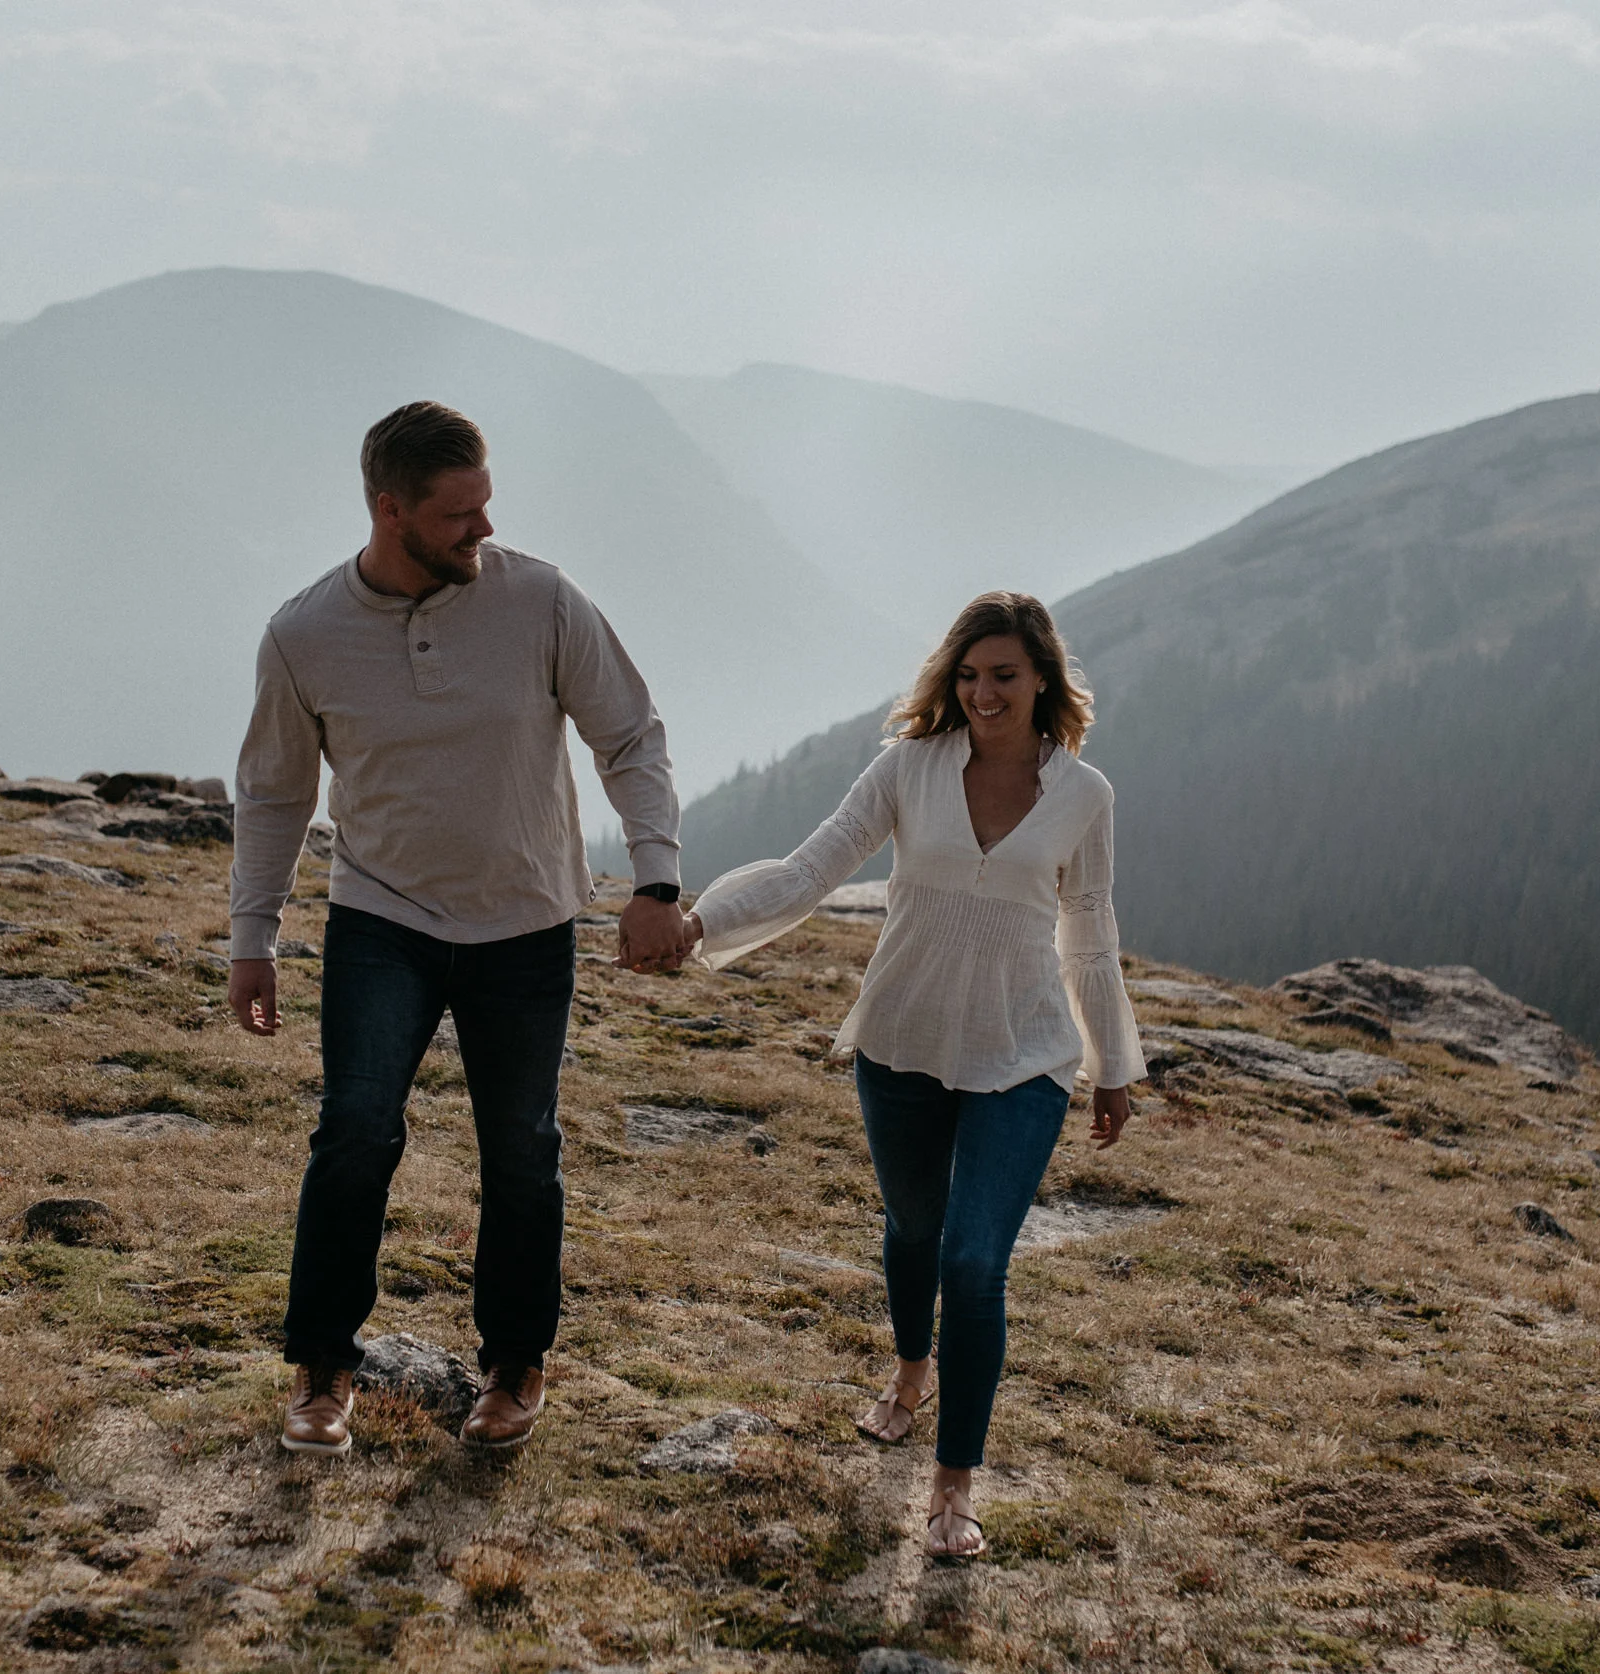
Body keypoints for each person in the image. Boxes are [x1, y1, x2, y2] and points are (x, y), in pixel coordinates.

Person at [226, 400, 693, 1457]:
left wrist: (656, 878)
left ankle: (515, 1365)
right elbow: (271, 796)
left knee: (521, 1150)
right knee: (354, 1132)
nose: (483, 530)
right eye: (457, 516)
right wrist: (250, 937)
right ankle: (321, 1371)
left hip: (526, 922)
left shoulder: (540, 600)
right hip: (380, 919)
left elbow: (630, 734)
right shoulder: (302, 635)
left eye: (486, 506)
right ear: (390, 512)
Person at [684, 591, 1147, 1560]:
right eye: (970, 675)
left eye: (1005, 676)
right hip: (900, 1040)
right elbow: (807, 874)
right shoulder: (907, 769)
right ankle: (907, 1371)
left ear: (1043, 681)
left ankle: (951, 1487)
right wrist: (696, 926)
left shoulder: (1083, 795)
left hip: (1022, 1055)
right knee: (914, 1229)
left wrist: (1111, 1064)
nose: (985, 693)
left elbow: (1090, 935)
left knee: (975, 1264)